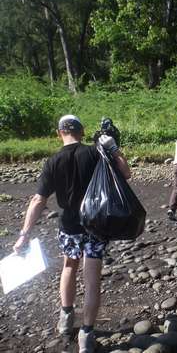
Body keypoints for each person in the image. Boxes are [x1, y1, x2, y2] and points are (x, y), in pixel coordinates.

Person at [13, 115, 131, 353]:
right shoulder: (95, 153)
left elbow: (38, 200)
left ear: (59, 133)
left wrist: (24, 234)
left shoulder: (52, 161)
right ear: (82, 132)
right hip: (95, 224)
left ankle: (65, 319)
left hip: (68, 226)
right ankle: (86, 336)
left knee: (69, 267)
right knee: (92, 280)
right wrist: (114, 148)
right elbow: (125, 173)